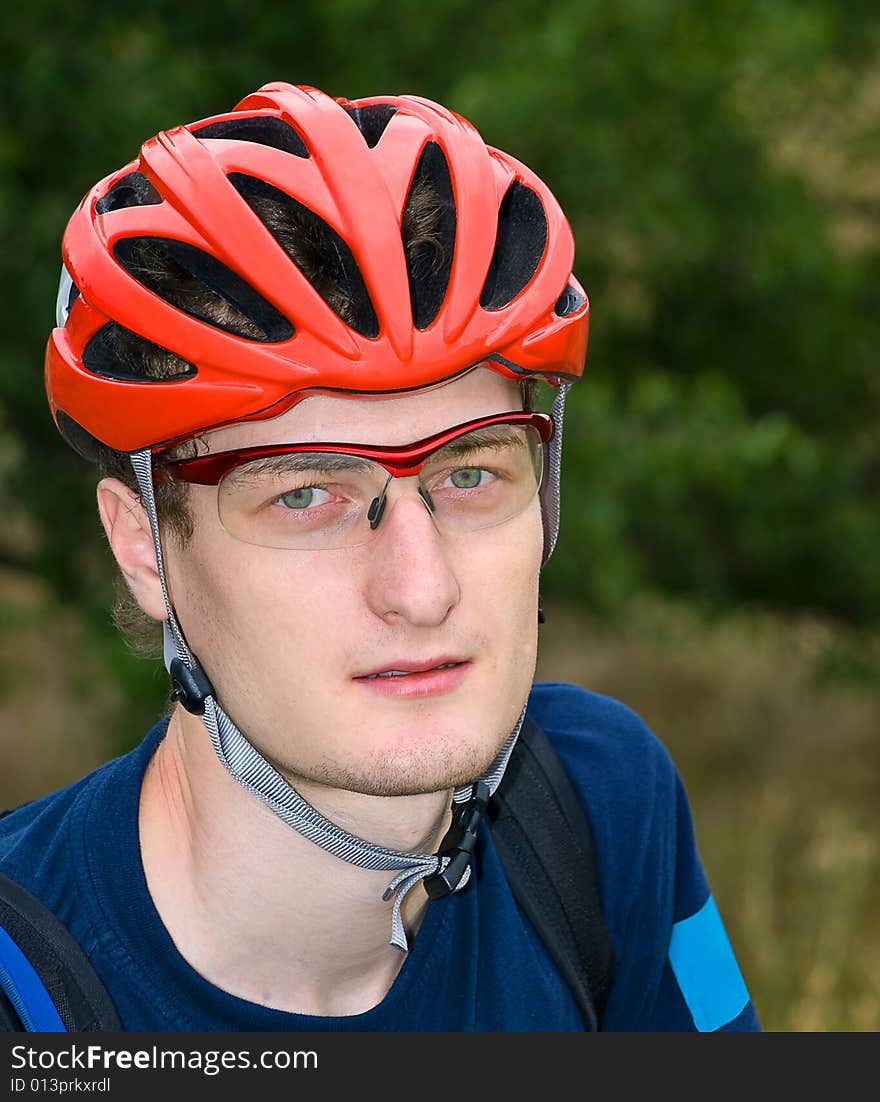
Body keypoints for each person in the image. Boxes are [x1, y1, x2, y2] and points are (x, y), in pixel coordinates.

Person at [0, 81, 759, 1031]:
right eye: (306, 496)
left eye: (471, 475)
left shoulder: (606, 810)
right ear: (144, 548)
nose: (422, 589)